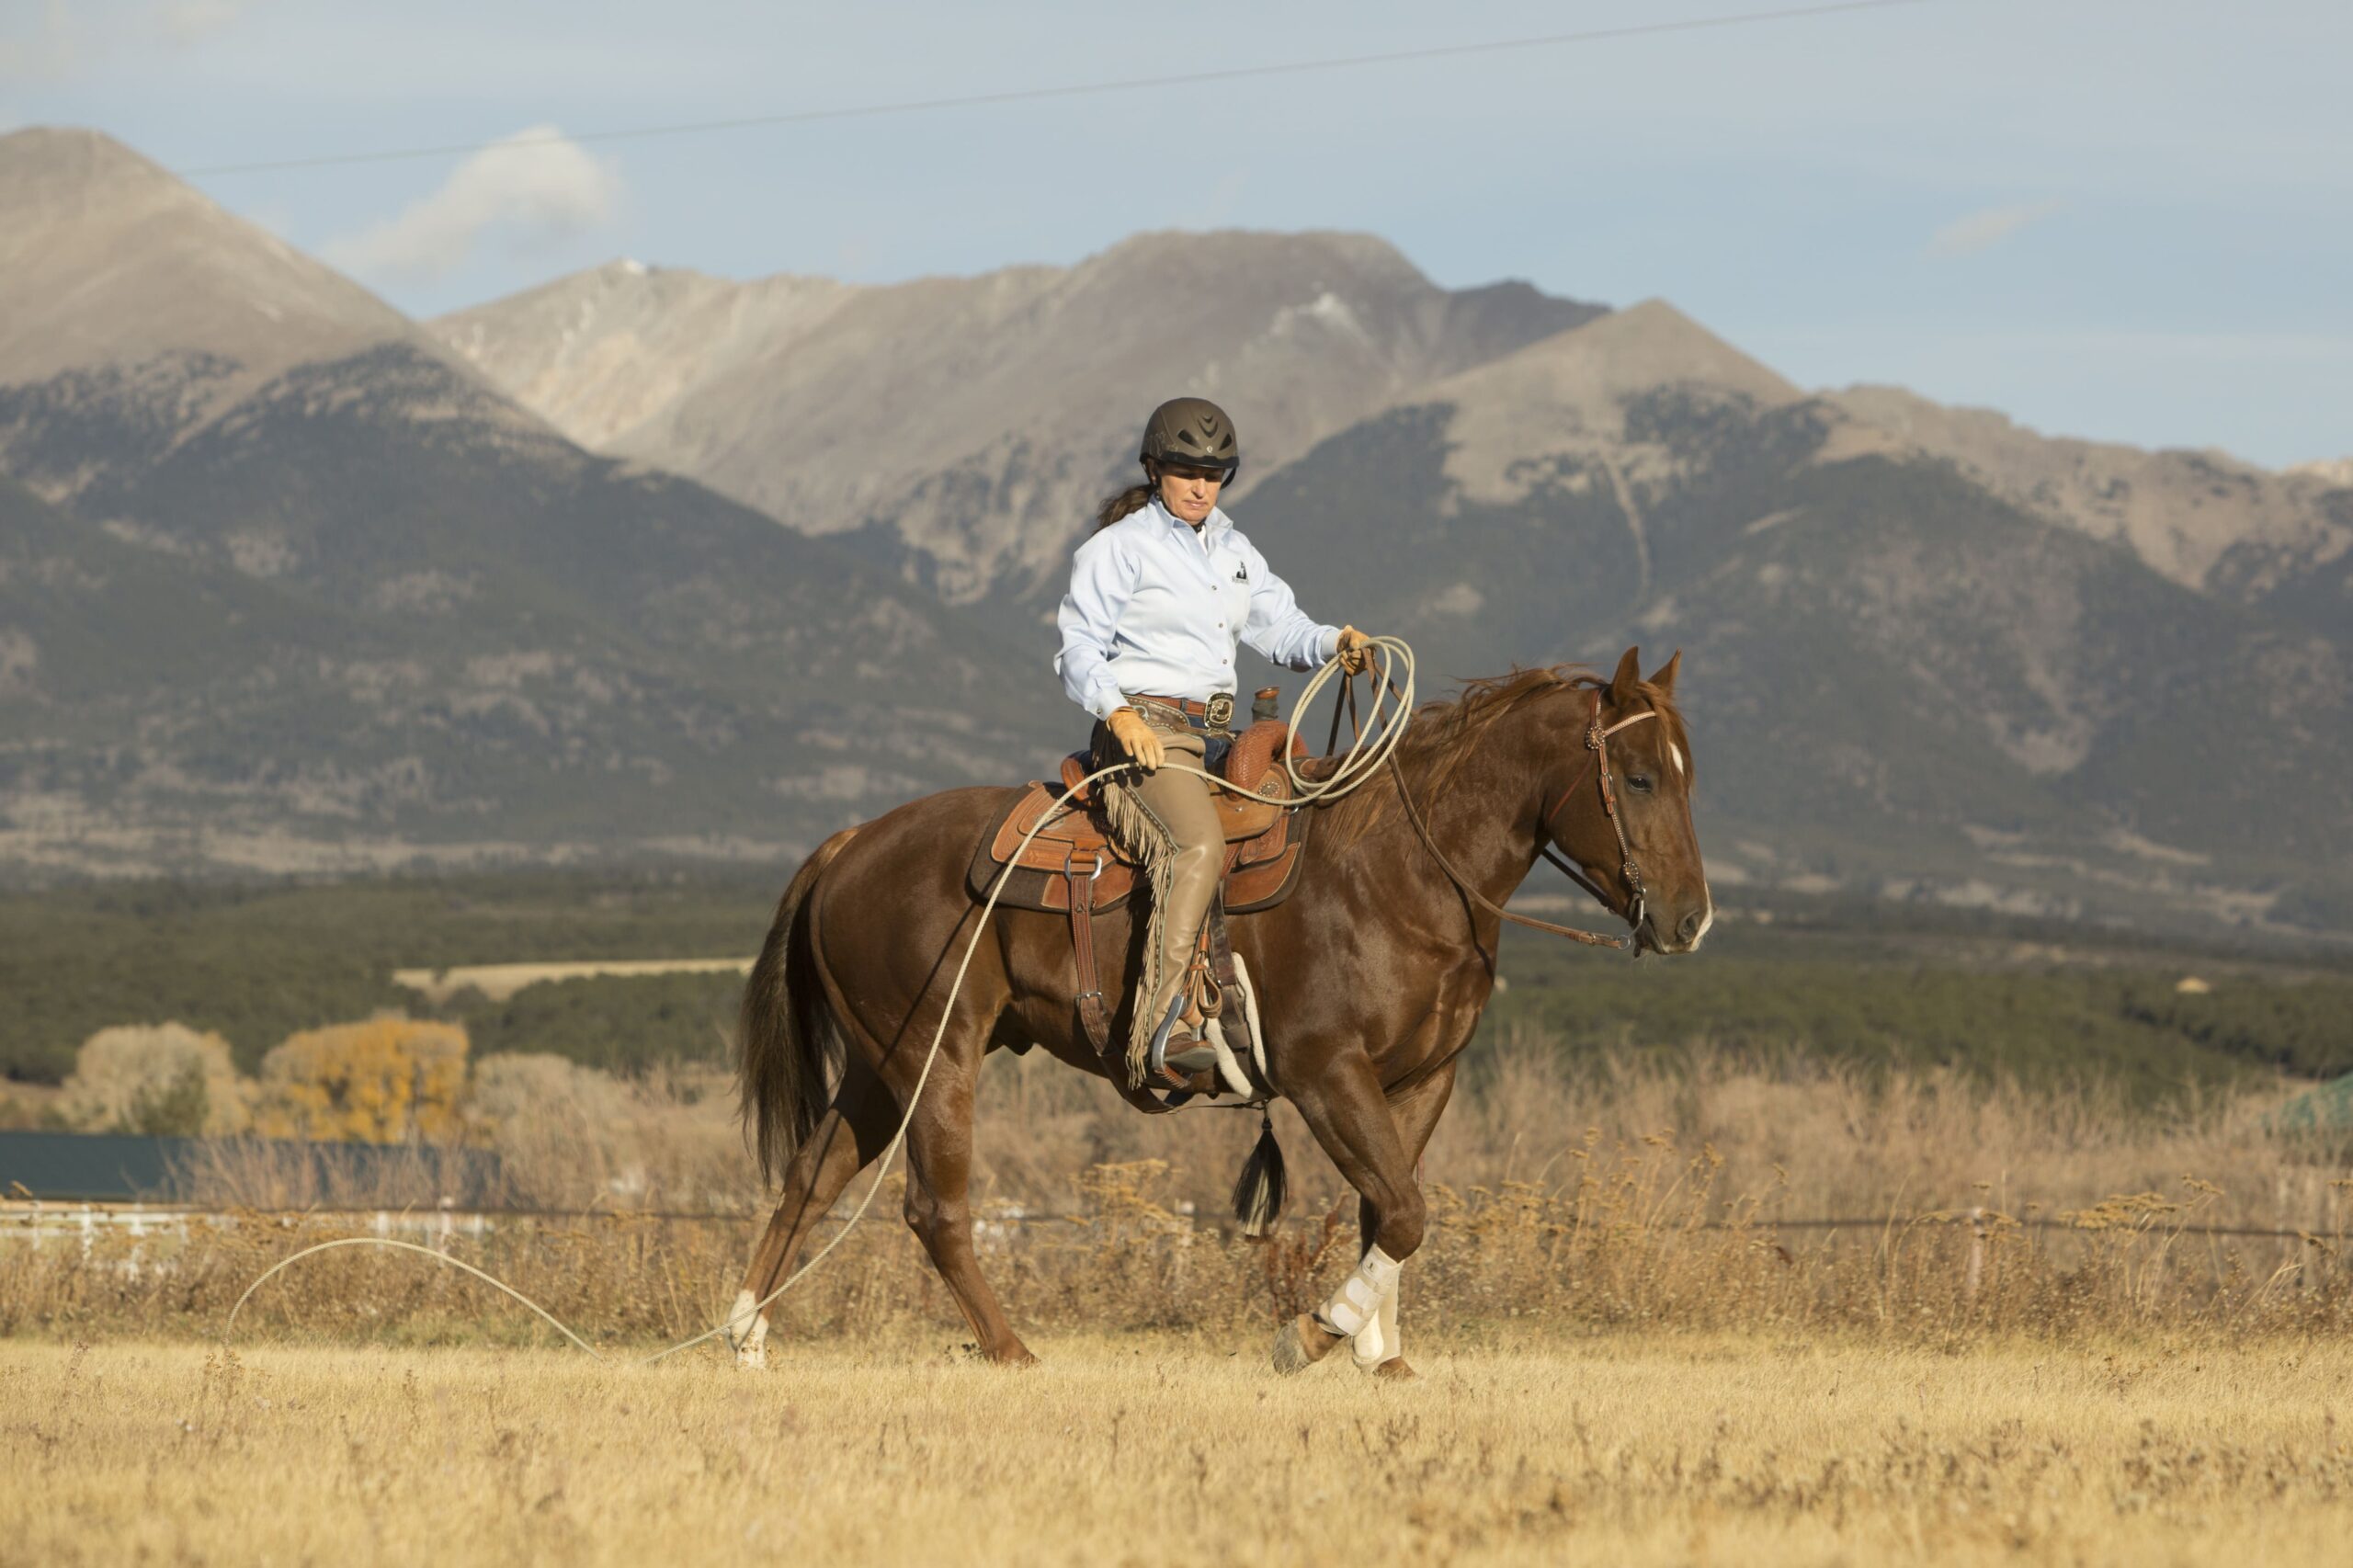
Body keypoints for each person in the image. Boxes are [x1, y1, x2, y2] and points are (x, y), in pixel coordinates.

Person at [1054, 396, 1374, 1088]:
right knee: (1196, 842)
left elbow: (1281, 628)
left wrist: (1334, 643)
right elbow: (1078, 647)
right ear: (1154, 468)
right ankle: (1168, 1023)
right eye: (1185, 471)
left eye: (1215, 473)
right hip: (1142, 734)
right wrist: (1118, 714)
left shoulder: (1234, 551)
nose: (1201, 486)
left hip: (1214, 736)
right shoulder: (1118, 549)